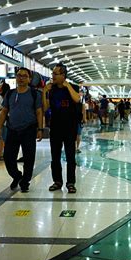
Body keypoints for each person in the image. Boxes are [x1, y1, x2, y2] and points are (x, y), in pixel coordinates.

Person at [0, 68, 43, 192]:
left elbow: (39, 112)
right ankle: (17, 176)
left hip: (29, 129)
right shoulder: (10, 93)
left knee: (29, 157)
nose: (21, 78)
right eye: (19, 75)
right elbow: (4, 111)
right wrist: (0, 127)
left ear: (29, 79)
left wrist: (40, 129)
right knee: (8, 157)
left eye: (24, 76)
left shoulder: (34, 94)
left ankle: (25, 181)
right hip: (12, 129)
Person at [43, 63, 80, 193]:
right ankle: (57, 181)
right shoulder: (51, 89)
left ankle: (71, 183)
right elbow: (46, 108)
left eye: (55, 74)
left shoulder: (73, 87)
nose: (52, 76)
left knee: (71, 157)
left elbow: (77, 99)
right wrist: (44, 92)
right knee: (55, 157)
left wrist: (68, 85)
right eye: (53, 73)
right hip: (55, 128)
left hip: (70, 128)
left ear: (63, 75)